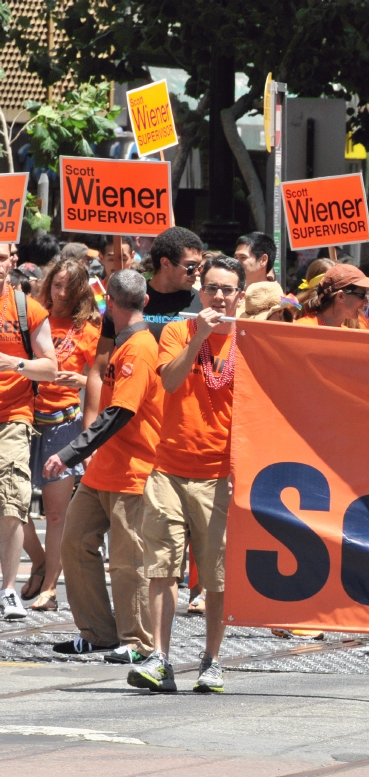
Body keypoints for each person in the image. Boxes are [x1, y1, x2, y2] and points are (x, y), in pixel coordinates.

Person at [125, 256, 244, 694]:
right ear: (201, 291)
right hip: (167, 470)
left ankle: (212, 660)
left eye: (227, 289)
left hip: (220, 476)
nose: (217, 296)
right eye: (211, 287)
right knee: (161, 567)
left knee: (216, 575)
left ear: (239, 296)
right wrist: (200, 338)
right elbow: (171, 382)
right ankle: (161, 658)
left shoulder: (250, 343)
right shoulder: (178, 330)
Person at [46, 270, 163, 662]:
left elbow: (120, 413)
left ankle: (139, 643)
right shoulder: (120, 341)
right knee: (75, 542)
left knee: (129, 562)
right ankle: (98, 632)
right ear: (144, 301)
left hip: (133, 472)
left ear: (109, 302)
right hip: (104, 469)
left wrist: (68, 453)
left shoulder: (142, 348)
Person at [21, 258, 101, 612]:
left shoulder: (90, 329)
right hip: (22, 416)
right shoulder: (32, 317)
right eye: (57, 284)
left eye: (70, 286)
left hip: (64, 422)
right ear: (48, 283)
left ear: (82, 289)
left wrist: (82, 381)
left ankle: (50, 587)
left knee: (56, 515)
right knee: (12, 505)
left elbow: (104, 381)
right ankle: (38, 561)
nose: (63, 292)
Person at [85, 227, 203, 432]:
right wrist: (89, 430)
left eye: (200, 266)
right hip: (128, 418)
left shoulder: (202, 305)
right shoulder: (128, 298)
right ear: (165, 263)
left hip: (179, 423)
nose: (198, 273)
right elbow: (100, 369)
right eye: (191, 267)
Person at [0, 240, 57, 620]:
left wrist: (14, 363)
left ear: (12, 261)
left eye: (1, 257)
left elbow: (50, 369)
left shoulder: (26, 310)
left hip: (14, 417)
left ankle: (7, 590)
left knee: (13, 501)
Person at [299, 264, 369, 328]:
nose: (366, 302)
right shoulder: (303, 328)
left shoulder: (349, 336)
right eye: (362, 295)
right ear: (341, 296)